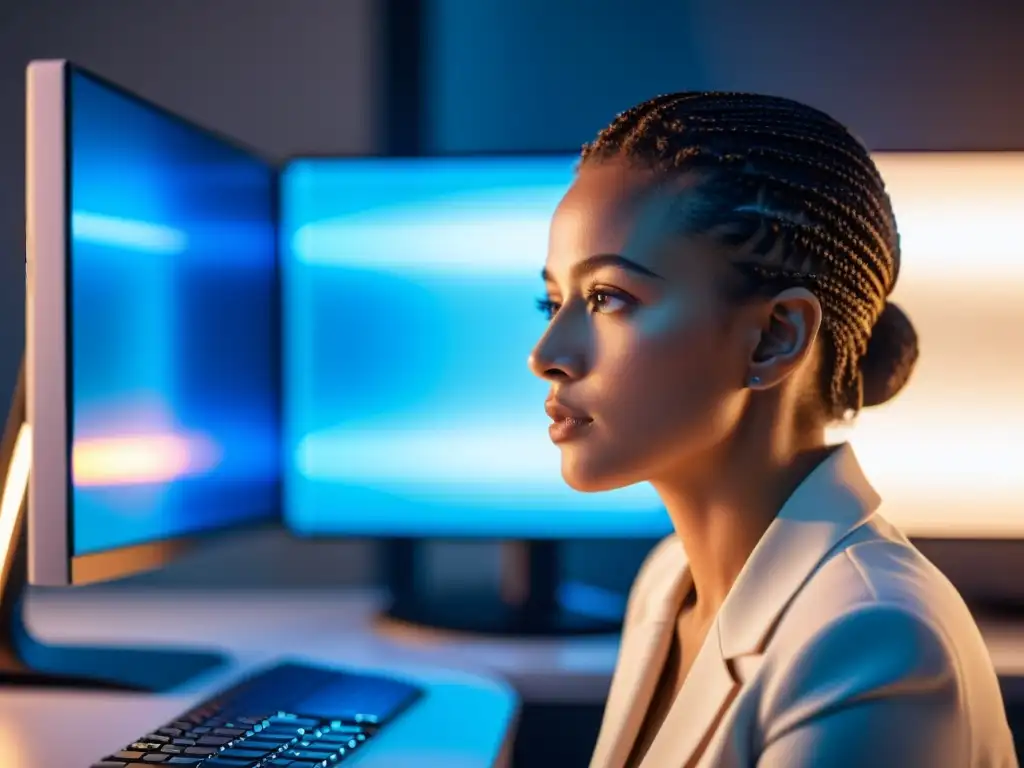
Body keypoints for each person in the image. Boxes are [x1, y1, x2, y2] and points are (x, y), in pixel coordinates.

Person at [528, 92, 1018, 768]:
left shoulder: (875, 641)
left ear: (773, 339)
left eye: (609, 298)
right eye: (552, 302)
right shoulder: (669, 582)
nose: (547, 353)